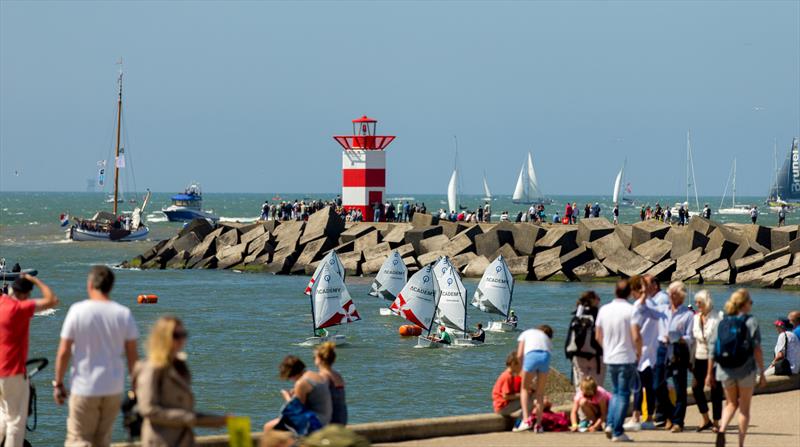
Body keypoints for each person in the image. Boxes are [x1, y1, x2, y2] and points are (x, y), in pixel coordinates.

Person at [54, 265, 139, 447]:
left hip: (85, 387)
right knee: (102, 440)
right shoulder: (124, 314)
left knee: (78, 439)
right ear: (111, 286)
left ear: (90, 285)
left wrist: (59, 383)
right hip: (113, 389)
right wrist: (135, 387)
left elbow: (64, 351)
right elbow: (133, 358)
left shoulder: (77, 311)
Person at [135, 316, 227, 446]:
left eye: (183, 334)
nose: (181, 340)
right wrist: (193, 419)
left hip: (182, 439)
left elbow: (183, 410)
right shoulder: (151, 368)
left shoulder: (179, 366)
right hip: (160, 441)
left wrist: (218, 420)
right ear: (162, 337)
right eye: (176, 335)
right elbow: (148, 409)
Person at [0, 274, 58, 447]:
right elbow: (52, 300)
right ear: (25, 295)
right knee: (16, 422)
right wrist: (35, 281)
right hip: (12, 372)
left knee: (3, 415)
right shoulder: (19, 308)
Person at [707, 289, 766, 447]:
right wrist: (762, 372)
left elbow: (712, 349)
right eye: (750, 302)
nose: (751, 305)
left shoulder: (722, 321)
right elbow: (757, 349)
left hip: (724, 369)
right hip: (745, 369)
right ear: (745, 304)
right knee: (744, 409)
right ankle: (740, 443)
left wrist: (709, 374)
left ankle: (722, 429)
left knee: (731, 403)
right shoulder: (750, 321)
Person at [595, 279, 639, 443]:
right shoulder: (631, 310)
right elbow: (635, 335)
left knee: (615, 392)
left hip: (610, 357)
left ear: (615, 291)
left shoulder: (604, 310)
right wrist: (639, 352)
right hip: (626, 357)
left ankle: (610, 424)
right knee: (624, 394)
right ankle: (617, 431)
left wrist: (606, 349)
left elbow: (598, 336)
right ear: (629, 293)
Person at [653, 281, 693, 433]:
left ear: (681, 296)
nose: (670, 295)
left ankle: (678, 421)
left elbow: (691, 337)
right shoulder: (662, 310)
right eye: (670, 293)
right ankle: (670, 414)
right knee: (657, 385)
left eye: (674, 293)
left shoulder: (688, 315)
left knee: (679, 387)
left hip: (678, 350)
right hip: (662, 348)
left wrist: (679, 338)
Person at [263, 355, 332, 432]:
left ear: (291, 373)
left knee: (268, 427)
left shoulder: (301, 383)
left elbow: (297, 410)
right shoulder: (314, 375)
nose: (291, 380)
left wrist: (287, 396)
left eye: (289, 377)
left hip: (315, 422)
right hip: (326, 418)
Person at [626, 275, 659, 432]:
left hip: (640, 352)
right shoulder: (654, 305)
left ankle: (635, 417)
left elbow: (635, 333)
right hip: (652, 351)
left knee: (637, 387)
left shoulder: (638, 306)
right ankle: (650, 418)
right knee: (649, 387)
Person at [690, 290, 723, 432]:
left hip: (714, 358)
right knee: (696, 388)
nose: (697, 305)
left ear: (706, 303)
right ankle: (705, 418)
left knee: (716, 390)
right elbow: (692, 339)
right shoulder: (696, 318)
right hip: (699, 356)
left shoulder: (718, 318)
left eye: (699, 302)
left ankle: (716, 421)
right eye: (696, 302)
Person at [513, 324, 553, 433]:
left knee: (524, 389)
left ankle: (526, 420)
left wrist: (522, 370)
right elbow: (548, 351)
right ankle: (538, 425)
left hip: (532, 355)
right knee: (540, 393)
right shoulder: (546, 339)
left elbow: (520, 355)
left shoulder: (525, 333)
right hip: (546, 356)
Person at [566, 291, 604, 388]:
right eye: (598, 299)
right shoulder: (598, 315)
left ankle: (581, 401)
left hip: (577, 354)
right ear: (593, 300)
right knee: (596, 387)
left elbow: (570, 336)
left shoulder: (578, 315)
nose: (599, 301)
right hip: (595, 355)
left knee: (580, 386)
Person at [314, 342, 347, 425]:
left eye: (314, 357)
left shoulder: (323, 376)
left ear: (319, 359)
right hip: (341, 420)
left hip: (329, 422)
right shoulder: (338, 375)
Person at [492, 352, 526, 417]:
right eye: (521, 364)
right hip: (502, 408)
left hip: (505, 405)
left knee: (529, 399)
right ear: (513, 364)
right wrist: (522, 395)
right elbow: (506, 396)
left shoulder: (513, 375)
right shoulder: (507, 376)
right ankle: (521, 423)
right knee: (528, 400)